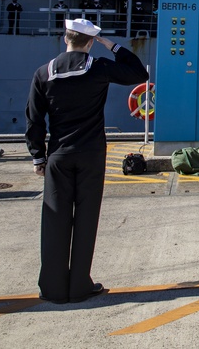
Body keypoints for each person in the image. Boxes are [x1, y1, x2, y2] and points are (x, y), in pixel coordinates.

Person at [25, 18, 149, 304]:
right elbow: (138, 73)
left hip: (58, 155)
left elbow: (34, 119)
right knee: (86, 219)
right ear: (90, 42)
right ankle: (80, 284)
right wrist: (113, 46)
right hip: (92, 154)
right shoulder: (99, 68)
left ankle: (52, 287)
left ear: (64, 38)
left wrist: (37, 156)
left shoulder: (44, 73)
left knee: (55, 219)